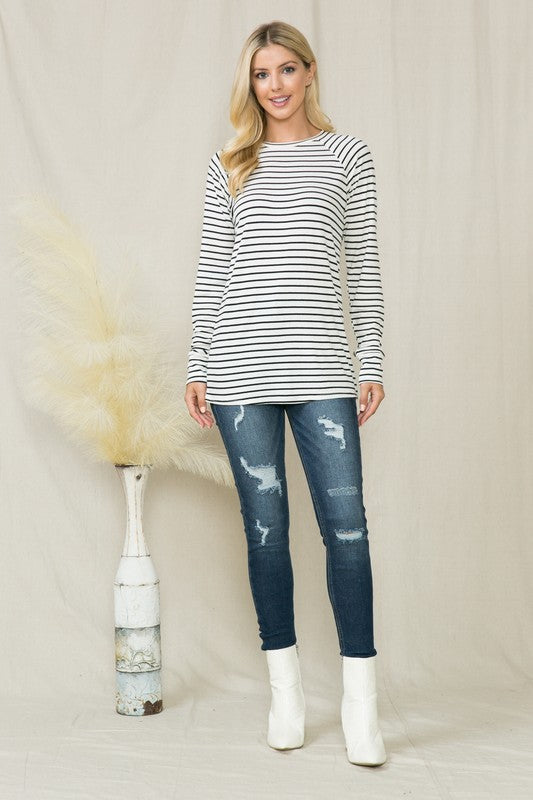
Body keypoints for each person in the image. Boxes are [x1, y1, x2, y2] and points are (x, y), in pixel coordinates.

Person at [184, 19, 387, 767]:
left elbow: (362, 264)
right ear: (251, 83)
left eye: (286, 70)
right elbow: (214, 267)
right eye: (260, 74)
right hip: (239, 371)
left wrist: (370, 359)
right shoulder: (230, 163)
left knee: (347, 531)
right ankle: (286, 696)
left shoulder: (347, 156)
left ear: (308, 72)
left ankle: (362, 707)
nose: (274, 86)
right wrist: (198, 362)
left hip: (322, 370)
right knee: (265, 532)